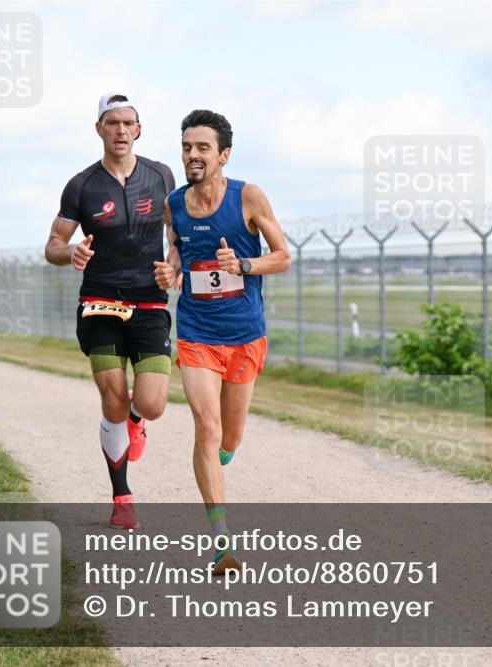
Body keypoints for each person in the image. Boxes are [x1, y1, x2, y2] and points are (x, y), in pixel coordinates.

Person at [154, 109, 290, 574]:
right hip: (195, 332)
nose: (193, 155)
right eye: (187, 146)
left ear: (223, 155)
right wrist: (170, 270)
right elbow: (177, 250)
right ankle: (221, 541)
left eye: (202, 148)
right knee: (206, 429)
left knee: (228, 437)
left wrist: (245, 267)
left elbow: (283, 256)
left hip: (244, 333)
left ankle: (223, 454)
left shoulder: (248, 196)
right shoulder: (173, 203)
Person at [45, 92, 176, 529]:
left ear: (138, 129)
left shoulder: (161, 176)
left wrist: (173, 266)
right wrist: (71, 254)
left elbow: (176, 233)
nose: (120, 130)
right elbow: (53, 245)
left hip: (150, 301)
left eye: (128, 123)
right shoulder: (81, 185)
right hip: (99, 302)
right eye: (111, 122)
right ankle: (122, 495)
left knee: (153, 404)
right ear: (98, 129)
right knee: (113, 400)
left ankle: (138, 419)